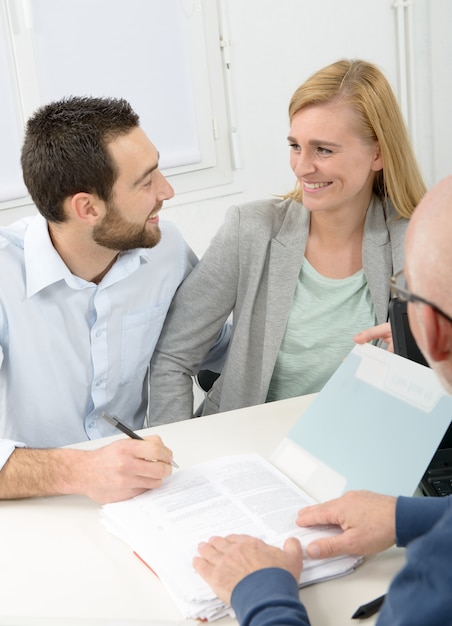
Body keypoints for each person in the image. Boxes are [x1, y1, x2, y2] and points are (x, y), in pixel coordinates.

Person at [192, 175, 452, 625]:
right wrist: (406, 516)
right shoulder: (252, 226)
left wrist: (262, 592)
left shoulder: (435, 578)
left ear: (429, 330)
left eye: (405, 294)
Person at [148, 58, 426, 424]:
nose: (302, 167)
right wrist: (174, 458)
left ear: (378, 153)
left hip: (366, 440)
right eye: (296, 146)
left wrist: (415, 354)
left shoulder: (418, 239)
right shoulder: (250, 229)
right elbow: (172, 357)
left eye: (323, 150)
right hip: (250, 446)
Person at [0, 95, 227, 503]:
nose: (167, 191)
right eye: (146, 181)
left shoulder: (165, 249)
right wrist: (83, 470)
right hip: (35, 502)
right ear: (87, 208)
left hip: (145, 492)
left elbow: (214, 347)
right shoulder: (4, 275)